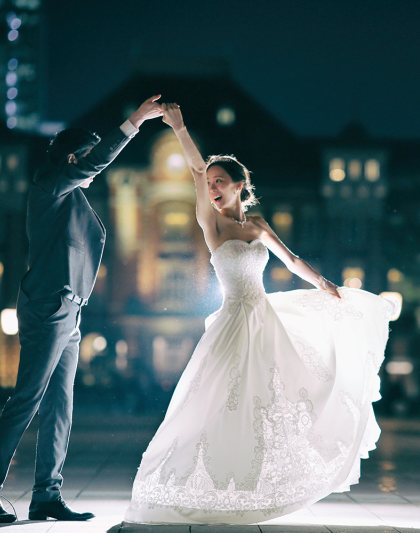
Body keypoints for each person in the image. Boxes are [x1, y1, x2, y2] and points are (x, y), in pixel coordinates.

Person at [124, 104, 397, 525]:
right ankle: (199, 481)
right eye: (210, 183)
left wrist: (324, 284)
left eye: (220, 182)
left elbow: (290, 261)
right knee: (215, 401)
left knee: (279, 396)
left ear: (239, 185)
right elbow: (196, 172)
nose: (212, 188)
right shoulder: (210, 224)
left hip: (265, 317)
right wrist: (179, 127)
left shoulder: (257, 225)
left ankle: (253, 482)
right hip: (233, 321)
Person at [0, 96, 164, 523]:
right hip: (49, 306)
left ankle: (46, 495)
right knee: (27, 400)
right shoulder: (50, 185)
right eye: (90, 157)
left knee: (61, 404)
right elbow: (90, 166)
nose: (97, 167)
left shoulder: (71, 196)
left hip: (69, 312)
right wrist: (133, 122)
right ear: (75, 157)